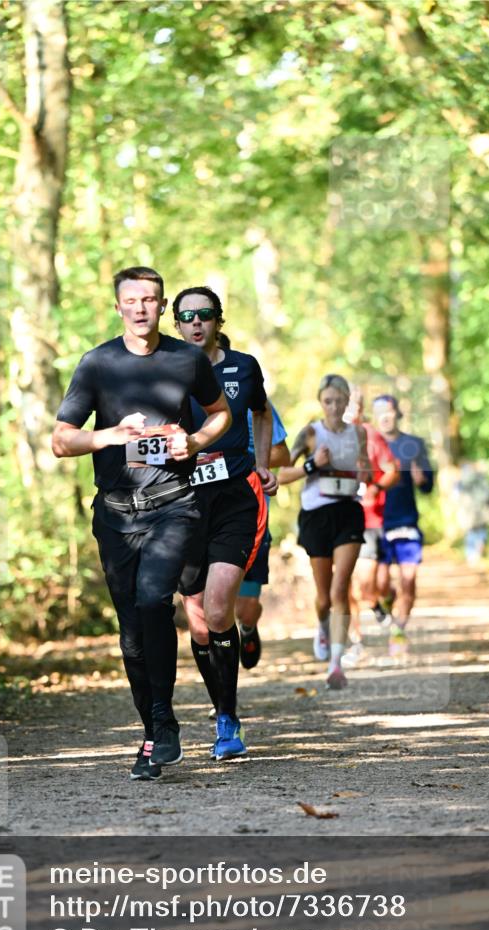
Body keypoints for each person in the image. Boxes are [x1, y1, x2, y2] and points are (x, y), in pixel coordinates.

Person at [52, 266, 231, 781]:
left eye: (150, 300)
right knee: (131, 630)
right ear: (118, 307)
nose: (141, 309)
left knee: (155, 598)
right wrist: (109, 435)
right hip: (115, 513)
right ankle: (156, 728)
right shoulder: (97, 364)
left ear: (161, 305)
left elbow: (220, 414)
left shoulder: (187, 359)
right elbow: (61, 440)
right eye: (131, 300)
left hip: (174, 502)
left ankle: (161, 724)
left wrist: (194, 442)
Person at [173, 286, 276, 760]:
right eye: (187, 316)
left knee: (218, 609)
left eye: (205, 315)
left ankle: (229, 720)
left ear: (218, 319)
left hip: (236, 494)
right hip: (183, 501)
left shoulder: (244, 367)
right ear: (176, 324)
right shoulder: (167, 370)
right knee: (196, 622)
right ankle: (219, 709)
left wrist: (259, 460)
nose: (196, 323)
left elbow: (260, 410)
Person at [278, 374, 370, 689]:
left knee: (340, 589)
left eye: (339, 400)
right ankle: (322, 625)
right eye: (328, 401)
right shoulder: (310, 433)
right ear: (321, 402)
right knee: (323, 598)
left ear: (347, 402)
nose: (333, 406)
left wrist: (362, 469)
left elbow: (368, 471)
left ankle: (336, 664)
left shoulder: (358, 433)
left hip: (348, 513)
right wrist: (312, 465)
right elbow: (281, 474)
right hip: (316, 516)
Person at [371, 394, 434, 655]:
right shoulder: (368, 444)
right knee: (381, 584)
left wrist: (421, 478)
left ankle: (399, 630)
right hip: (378, 522)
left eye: (390, 411)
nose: (385, 416)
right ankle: (388, 601)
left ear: (398, 413)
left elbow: (428, 486)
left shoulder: (413, 444)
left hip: (407, 521)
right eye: (380, 412)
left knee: (409, 580)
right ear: (374, 417)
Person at [343, 387, 400, 665]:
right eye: (345, 404)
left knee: (368, 587)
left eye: (354, 405)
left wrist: (376, 487)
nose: (349, 411)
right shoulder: (324, 436)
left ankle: (378, 604)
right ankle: (356, 640)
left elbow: (392, 469)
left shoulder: (371, 435)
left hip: (369, 519)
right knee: (343, 587)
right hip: (338, 519)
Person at [237, 402, 290, 669]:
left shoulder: (251, 397)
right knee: (208, 613)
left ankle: (247, 628)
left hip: (251, 518)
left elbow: (283, 455)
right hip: (202, 519)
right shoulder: (184, 391)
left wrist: (242, 459)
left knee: (244, 610)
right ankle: (222, 697)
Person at [452, 461, 489, 564]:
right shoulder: (480, 478)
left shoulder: (460, 481)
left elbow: (455, 497)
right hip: (482, 511)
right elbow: (488, 493)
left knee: (470, 533)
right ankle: (478, 554)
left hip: (467, 512)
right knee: (481, 532)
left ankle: (471, 557)